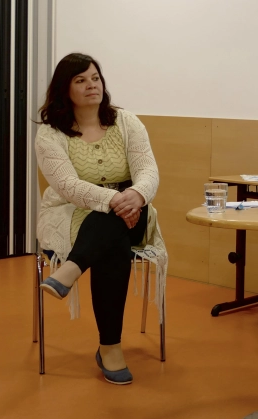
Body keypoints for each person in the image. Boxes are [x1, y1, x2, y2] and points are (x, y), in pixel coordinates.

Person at [36, 53, 167, 386]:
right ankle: (110, 347)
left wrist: (136, 196)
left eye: (95, 77)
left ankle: (71, 270)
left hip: (134, 211)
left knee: (111, 224)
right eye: (80, 80)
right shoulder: (50, 135)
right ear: (64, 90)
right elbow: (66, 185)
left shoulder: (126, 122)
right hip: (74, 211)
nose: (91, 85)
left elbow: (148, 170)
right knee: (113, 239)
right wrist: (116, 200)